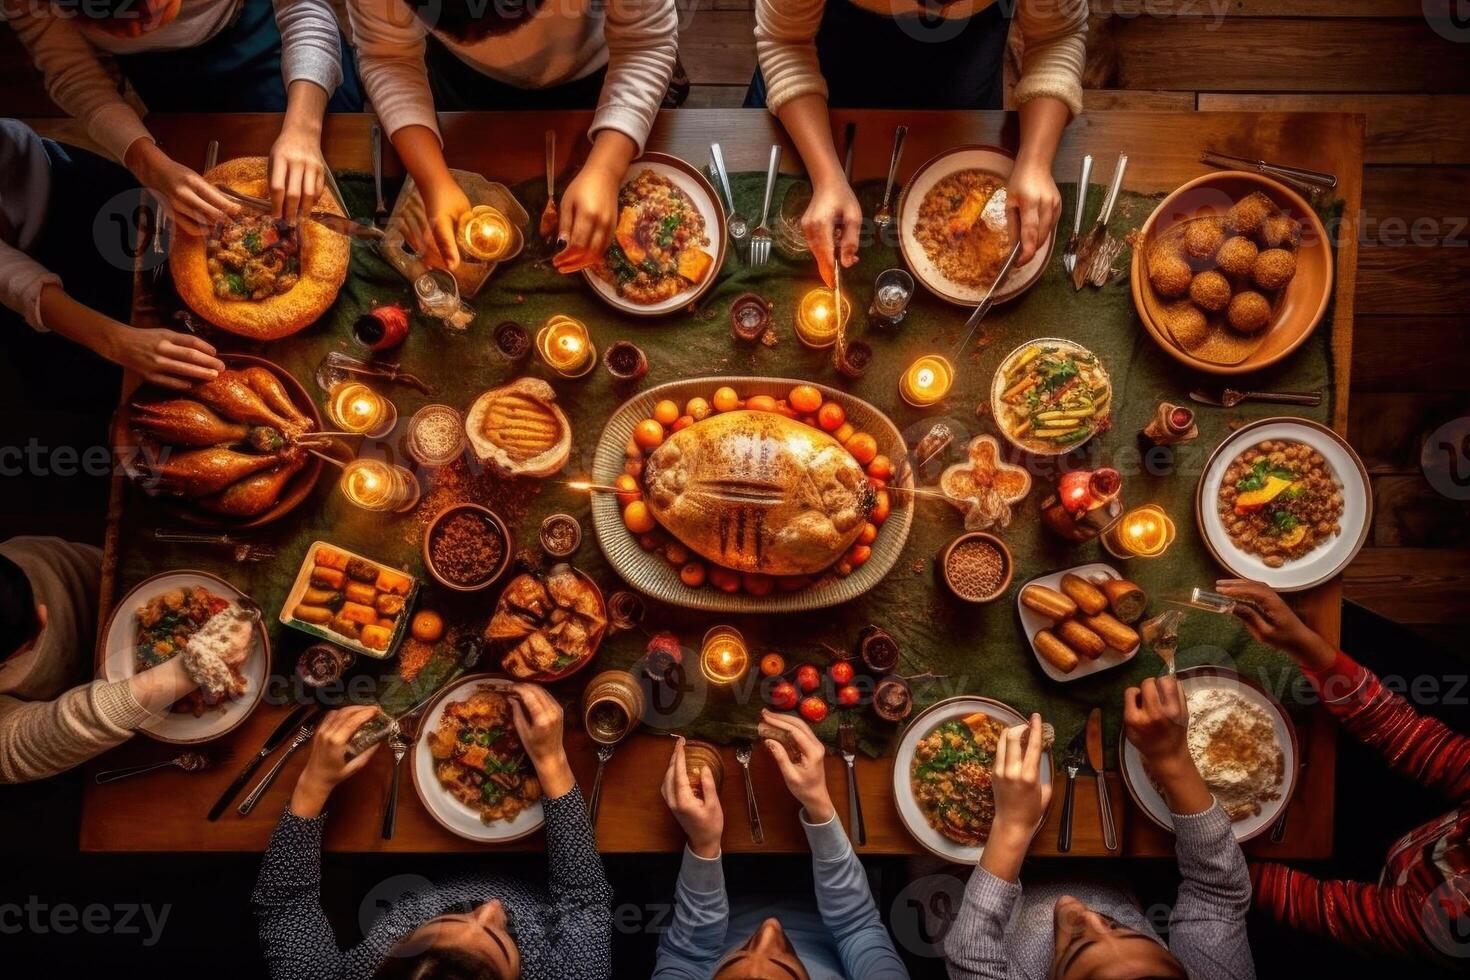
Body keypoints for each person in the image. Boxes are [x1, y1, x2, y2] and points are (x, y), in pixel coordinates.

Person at [252, 688, 613, 980]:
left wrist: (313, 783)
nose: (490, 908)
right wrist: (552, 762)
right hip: (539, 871)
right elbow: (585, 898)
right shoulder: (578, 974)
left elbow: (285, 905)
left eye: (451, 916)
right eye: (500, 942)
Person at [1218, 579, 1470, 968]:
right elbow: (1406, 736)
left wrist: (1210, 859)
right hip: (1426, 827)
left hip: (1381, 892)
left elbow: (1322, 907)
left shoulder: (1448, 926)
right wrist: (1307, 646)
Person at [751, 0, 1087, 285]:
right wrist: (826, 177)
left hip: (960, 92)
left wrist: (1036, 161)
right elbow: (785, 40)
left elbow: (1055, 35)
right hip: (818, 91)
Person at [943, 689, 1255, 979]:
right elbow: (1219, 893)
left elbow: (969, 957)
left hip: (966, 882)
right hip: (1105, 870)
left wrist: (1011, 826)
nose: (1080, 909)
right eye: (1119, 926)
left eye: (1077, 945)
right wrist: (1172, 759)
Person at [347, 0, 677, 272]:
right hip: (463, 80)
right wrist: (433, 180)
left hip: (599, 74)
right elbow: (388, 56)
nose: (490, 38)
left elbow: (645, 43)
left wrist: (606, 167)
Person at [3, 0, 363, 230]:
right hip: (168, 80)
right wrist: (147, 163)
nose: (140, 29)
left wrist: (302, 128)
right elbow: (74, 75)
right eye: (112, 23)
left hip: (272, 35)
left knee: (344, 168)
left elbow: (306, 9)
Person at [654, 708, 909, 978]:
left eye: (734, 958)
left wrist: (703, 844)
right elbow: (858, 926)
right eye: (786, 961)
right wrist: (818, 803)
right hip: (836, 908)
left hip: (706, 906)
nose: (770, 927)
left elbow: (687, 954)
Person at [0, 118, 223, 391]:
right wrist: (114, 341)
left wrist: (149, 164)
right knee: (103, 377)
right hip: (28, 272)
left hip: (45, 170)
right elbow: (13, 280)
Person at [0, 536, 231, 782]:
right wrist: (190, 669)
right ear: (41, 620)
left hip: (104, 574)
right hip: (79, 690)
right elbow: (20, 748)